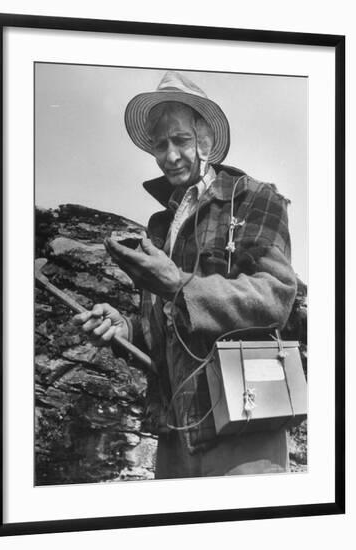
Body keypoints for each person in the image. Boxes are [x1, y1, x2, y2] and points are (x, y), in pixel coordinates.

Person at [73, 71, 298, 478]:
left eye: (180, 141)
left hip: (244, 428)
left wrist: (178, 284)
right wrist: (124, 328)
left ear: (207, 140)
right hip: (175, 432)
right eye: (160, 145)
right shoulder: (160, 224)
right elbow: (167, 326)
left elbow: (274, 298)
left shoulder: (254, 198)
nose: (169, 155)